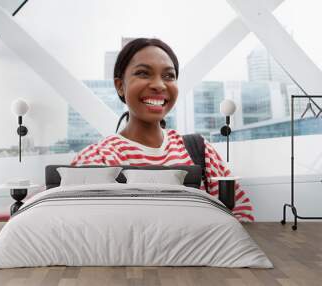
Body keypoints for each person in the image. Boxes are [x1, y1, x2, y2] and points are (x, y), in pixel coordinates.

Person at [71, 38, 253, 222]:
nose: (159, 85)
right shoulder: (95, 159)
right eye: (143, 73)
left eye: (168, 76)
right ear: (120, 86)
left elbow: (241, 214)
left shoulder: (199, 150)